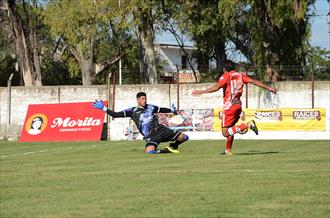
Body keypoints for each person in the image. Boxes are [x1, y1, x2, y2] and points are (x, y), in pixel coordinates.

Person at [192, 60, 277, 155]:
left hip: (229, 107)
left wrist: (201, 92)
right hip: (238, 106)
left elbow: (216, 87)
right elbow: (253, 81)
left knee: (225, 132)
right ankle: (228, 150)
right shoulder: (240, 75)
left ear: (224, 69)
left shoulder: (226, 76)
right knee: (230, 129)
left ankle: (247, 125)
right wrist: (269, 88)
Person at [92, 92, 189, 154]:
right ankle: (166, 151)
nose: (144, 100)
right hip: (151, 135)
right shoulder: (132, 111)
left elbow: (162, 109)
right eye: (142, 99)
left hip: (161, 129)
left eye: (145, 98)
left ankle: (173, 146)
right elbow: (115, 115)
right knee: (149, 152)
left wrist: (172, 110)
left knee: (184, 137)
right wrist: (103, 108)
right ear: (138, 100)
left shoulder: (151, 107)